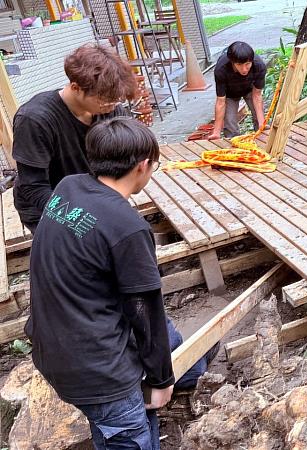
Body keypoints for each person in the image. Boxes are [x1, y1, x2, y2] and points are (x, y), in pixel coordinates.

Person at [25, 118, 213, 450]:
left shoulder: (68, 187)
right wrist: (161, 381)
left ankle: (191, 368)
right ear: (143, 166)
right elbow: (145, 310)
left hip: (51, 348)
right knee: (129, 435)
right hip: (98, 371)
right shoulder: (128, 228)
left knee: (168, 344)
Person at [12, 43, 137, 233]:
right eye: (104, 100)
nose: (112, 106)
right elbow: (34, 188)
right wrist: (81, 220)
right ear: (76, 87)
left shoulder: (111, 110)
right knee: (85, 249)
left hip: (91, 195)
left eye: (116, 99)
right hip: (47, 204)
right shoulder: (35, 120)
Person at [208, 41, 267, 139]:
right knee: (230, 122)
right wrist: (216, 132)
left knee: (259, 117)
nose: (244, 69)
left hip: (250, 90)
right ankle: (233, 143)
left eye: (247, 64)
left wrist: (262, 123)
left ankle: (261, 137)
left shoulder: (259, 66)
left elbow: (257, 95)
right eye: (239, 64)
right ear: (232, 62)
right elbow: (221, 102)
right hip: (230, 93)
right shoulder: (221, 69)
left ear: (252, 61)